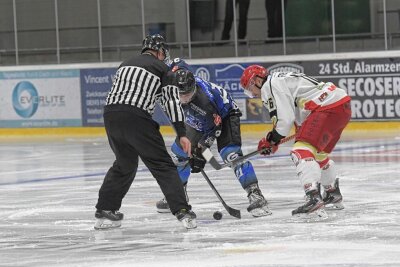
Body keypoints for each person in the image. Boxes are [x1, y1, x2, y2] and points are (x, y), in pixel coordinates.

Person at [94, 34, 197, 230]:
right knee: (164, 166)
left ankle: (106, 209)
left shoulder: (125, 64)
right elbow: (171, 103)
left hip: (111, 116)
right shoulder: (162, 68)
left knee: (124, 164)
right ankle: (182, 211)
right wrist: (182, 133)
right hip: (136, 117)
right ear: (160, 52)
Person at [156, 68, 272, 217]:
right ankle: (178, 196)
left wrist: (200, 154)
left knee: (231, 155)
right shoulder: (172, 88)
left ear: (193, 89)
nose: (184, 98)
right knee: (180, 154)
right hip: (200, 119)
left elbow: (215, 129)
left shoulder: (204, 102)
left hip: (225, 115)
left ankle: (255, 194)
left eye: (187, 94)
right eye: (181, 94)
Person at [240, 65, 351, 219]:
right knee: (317, 154)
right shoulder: (280, 80)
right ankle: (332, 193)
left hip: (326, 107)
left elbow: (284, 122)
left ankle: (313, 198)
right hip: (341, 105)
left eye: (250, 88)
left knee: (300, 151)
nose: (252, 94)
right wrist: (275, 139)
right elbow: (297, 114)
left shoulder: (268, 86)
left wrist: (271, 139)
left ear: (258, 80)